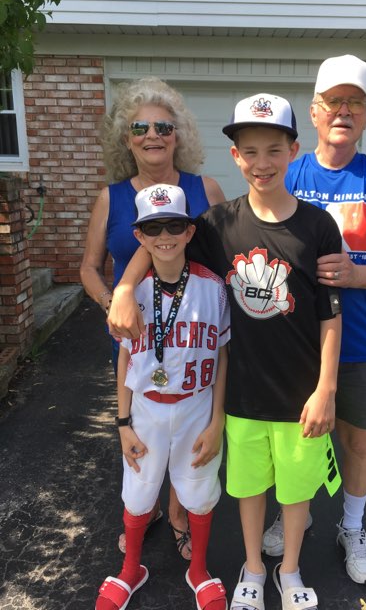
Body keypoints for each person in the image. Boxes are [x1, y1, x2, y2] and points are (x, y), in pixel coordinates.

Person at [108, 93, 343, 610]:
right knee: (249, 486)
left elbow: (331, 314)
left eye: (274, 149)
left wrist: (327, 388)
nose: (262, 162)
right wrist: (124, 288)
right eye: (250, 151)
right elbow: (161, 245)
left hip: (301, 391)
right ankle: (253, 568)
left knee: (296, 490)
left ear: (294, 151)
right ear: (235, 156)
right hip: (241, 394)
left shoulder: (319, 225)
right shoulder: (217, 225)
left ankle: (290, 570)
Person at [262, 55, 366, 585]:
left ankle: (352, 527)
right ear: (314, 111)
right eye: (334, 101)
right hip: (294, 344)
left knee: (357, 444)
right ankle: (296, 515)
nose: (343, 111)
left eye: (355, 102)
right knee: (295, 442)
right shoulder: (288, 174)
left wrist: (356, 275)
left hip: (361, 344)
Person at [80, 77, 225, 558]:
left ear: (178, 135)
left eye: (163, 126)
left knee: (189, 431)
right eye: (140, 127)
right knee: (142, 431)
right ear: (126, 139)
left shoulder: (204, 190)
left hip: (195, 336)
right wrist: (114, 302)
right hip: (139, 336)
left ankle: (181, 511)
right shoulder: (111, 198)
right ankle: (148, 508)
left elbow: (225, 256)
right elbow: (88, 267)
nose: (152, 135)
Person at [95, 184, 230, 610]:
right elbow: (124, 360)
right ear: (139, 236)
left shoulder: (213, 287)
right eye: (153, 228)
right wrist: (122, 423)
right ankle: (130, 570)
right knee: (138, 491)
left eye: (174, 225)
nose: (165, 236)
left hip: (196, 405)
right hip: (147, 407)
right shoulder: (132, 293)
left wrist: (218, 420)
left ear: (189, 231)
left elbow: (223, 355)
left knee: (200, 491)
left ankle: (199, 571)